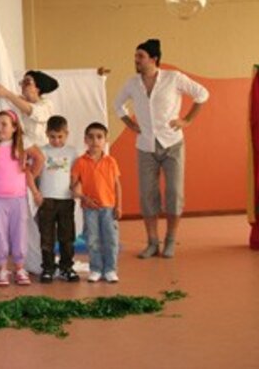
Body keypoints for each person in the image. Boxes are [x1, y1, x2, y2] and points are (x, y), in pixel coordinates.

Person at [114, 39, 209, 259]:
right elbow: (117, 105)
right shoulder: (132, 83)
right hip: (145, 146)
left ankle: (170, 240)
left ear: (154, 59)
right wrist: (130, 124)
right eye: (136, 56)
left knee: (174, 193)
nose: (136, 60)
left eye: (140, 56)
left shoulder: (173, 78)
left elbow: (202, 94)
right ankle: (152, 242)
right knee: (148, 195)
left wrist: (186, 120)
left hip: (172, 143)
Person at [0, 110, 44, 286]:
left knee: (19, 232)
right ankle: (2, 268)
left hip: (18, 198)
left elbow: (39, 158)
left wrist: (29, 175)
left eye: (4, 124)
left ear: (14, 127)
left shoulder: (22, 144)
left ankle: (19, 267)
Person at [71, 122, 122, 283]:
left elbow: (117, 185)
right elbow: (73, 187)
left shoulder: (111, 161)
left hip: (109, 207)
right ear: (85, 140)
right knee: (93, 240)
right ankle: (96, 269)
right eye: (91, 137)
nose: (95, 141)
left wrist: (118, 205)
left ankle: (110, 269)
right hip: (89, 209)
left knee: (111, 239)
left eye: (99, 137)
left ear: (106, 140)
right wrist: (84, 198)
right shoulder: (80, 162)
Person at [36, 115, 80, 283]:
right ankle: (48, 268)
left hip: (66, 200)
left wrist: (76, 188)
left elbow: (77, 175)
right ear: (47, 134)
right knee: (47, 237)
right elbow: (34, 173)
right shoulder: (41, 151)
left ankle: (66, 267)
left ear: (66, 134)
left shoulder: (72, 152)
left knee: (67, 236)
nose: (56, 140)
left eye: (60, 136)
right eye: (52, 137)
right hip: (46, 200)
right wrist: (36, 193)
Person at [0, 70, 59, 147]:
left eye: (27, 82)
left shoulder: (47, 104)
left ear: (37, 88)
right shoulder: (18, 101)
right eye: (22, 82)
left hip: (42, 149)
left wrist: (6, 93)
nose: (23, 85)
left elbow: (32, 111)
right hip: (23, 148)